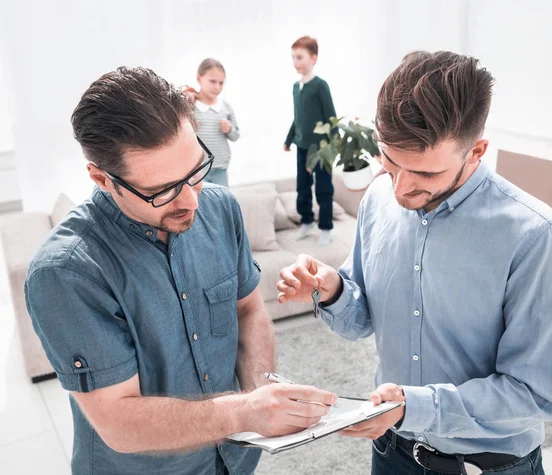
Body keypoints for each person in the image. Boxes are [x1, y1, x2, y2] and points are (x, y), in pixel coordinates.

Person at [24, 66, 337, 475]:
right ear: (102, 178)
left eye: (195, 172)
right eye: (162, 191)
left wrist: (262, 388)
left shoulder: (221, 208)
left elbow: (248, 311)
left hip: (237, 458)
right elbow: (120, 423)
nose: (190, 201)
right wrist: (244, 411)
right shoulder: (67, 273)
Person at [277, 51, 552, 475]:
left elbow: (532, 394)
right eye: (390, 161)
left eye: (425, 174)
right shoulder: (379, 199)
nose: (401, 187)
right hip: (391, 453)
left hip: (486, 466)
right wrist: (334, 290)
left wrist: (412, 407)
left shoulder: (535, 236)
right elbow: (363, 318)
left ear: (476, 151)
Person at [284, 36, 337, 246]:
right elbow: (298, 118)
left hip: (322, 149)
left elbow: (331, 117)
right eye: (293, 58)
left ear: (313, 58)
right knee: (302, 187)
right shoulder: (296, 88)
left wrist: (333, 148)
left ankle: (325, 227)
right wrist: (289, 140)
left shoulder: (320, 86)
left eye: (300, 57)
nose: (295, 62)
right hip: (302, 148)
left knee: (324, 188)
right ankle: (306, 221)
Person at [182, 58, 240, 187]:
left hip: (221, 166)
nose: (217, 87)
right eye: (212, 81)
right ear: (199, 78)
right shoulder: (191, 106)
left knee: (222, 200)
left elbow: (236, 136)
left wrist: (229, 129)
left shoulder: (226, 107)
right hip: (198, 169)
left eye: (221, 83)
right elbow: (178, 135)